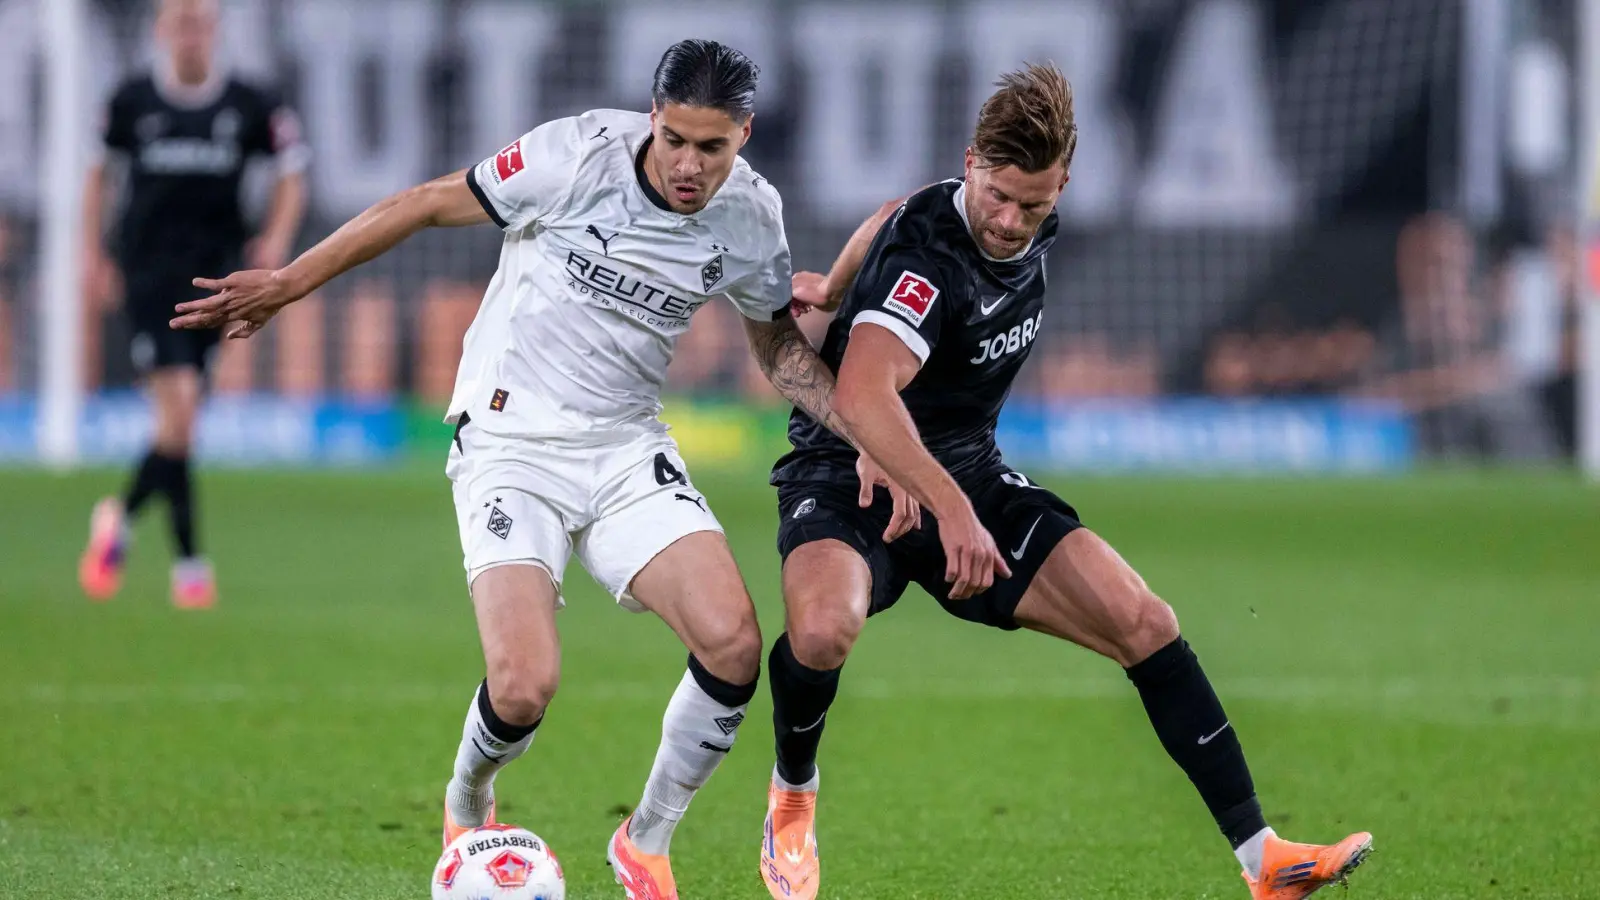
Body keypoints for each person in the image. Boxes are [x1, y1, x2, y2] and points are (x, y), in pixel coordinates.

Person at [171, 39, 869, 900]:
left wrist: (865, 433)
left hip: (623, 444)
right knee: (525, 685)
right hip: (510, 440)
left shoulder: (753, 217)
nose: (689, 165)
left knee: (732, 645)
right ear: (653, 118)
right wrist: (289, 281)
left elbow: (778, 352)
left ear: (744, 137)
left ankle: (644, 843)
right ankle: (466, 803)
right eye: (676, 139)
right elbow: (426, 203)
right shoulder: (574, 155)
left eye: (712, 147)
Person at [759, 63, 1373, 900]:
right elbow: (866, 394)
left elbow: (887, 209)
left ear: (1063, 186)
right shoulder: (928, 261)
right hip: (849, 471)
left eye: (1034, 205)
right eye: (999, 197)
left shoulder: (1001, 207)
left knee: (1143, 619)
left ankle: (1263, 857)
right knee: (826, 630)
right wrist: (950, 511)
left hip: (967, 469)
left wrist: (831, 285)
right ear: (973, 162)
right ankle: (793, 799)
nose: (1011, 222)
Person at [78, 0, 309, 609]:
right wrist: (93, 254)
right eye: (180, 23)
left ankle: (119, 518)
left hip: (218, 281)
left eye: (201, 23)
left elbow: (292, 173)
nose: (190, 35)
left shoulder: (249, 103)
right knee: (178, 411)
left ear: (215, 30)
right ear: (161, 30)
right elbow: (98, 176)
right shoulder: (131, 102)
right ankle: (189, 565)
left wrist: (276, 243)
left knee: (179, 426)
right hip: (150, 277)